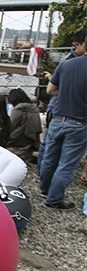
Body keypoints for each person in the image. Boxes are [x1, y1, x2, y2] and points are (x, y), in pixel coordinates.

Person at [40, 30, 87, 210]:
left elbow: (50, 90)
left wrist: (66, 92)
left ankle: (45, 189)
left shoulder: (66, 64)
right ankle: (54, 199)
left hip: (58, 118)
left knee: (50, 157)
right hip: (79, 122)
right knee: (67, 164)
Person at [6, 88, 41, 162]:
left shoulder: (19, 109)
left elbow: (11, 125)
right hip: (32, 140)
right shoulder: (34, 108)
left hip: (19, 139)